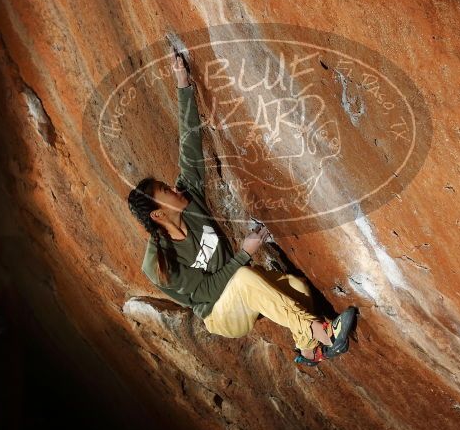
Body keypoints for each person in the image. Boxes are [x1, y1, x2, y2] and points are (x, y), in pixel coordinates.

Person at [127, 55, 356, 366]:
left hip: (242, 285)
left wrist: (183, 85)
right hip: (221, 314)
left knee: (297, 287)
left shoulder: (190, 198)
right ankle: (324, 333)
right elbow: (207, 290)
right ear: (157, 214)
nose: (175, 189)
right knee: (245, 279)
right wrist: (245, 252)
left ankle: (310, 350)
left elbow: (189, 144)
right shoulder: (159, 263)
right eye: (166, 192)